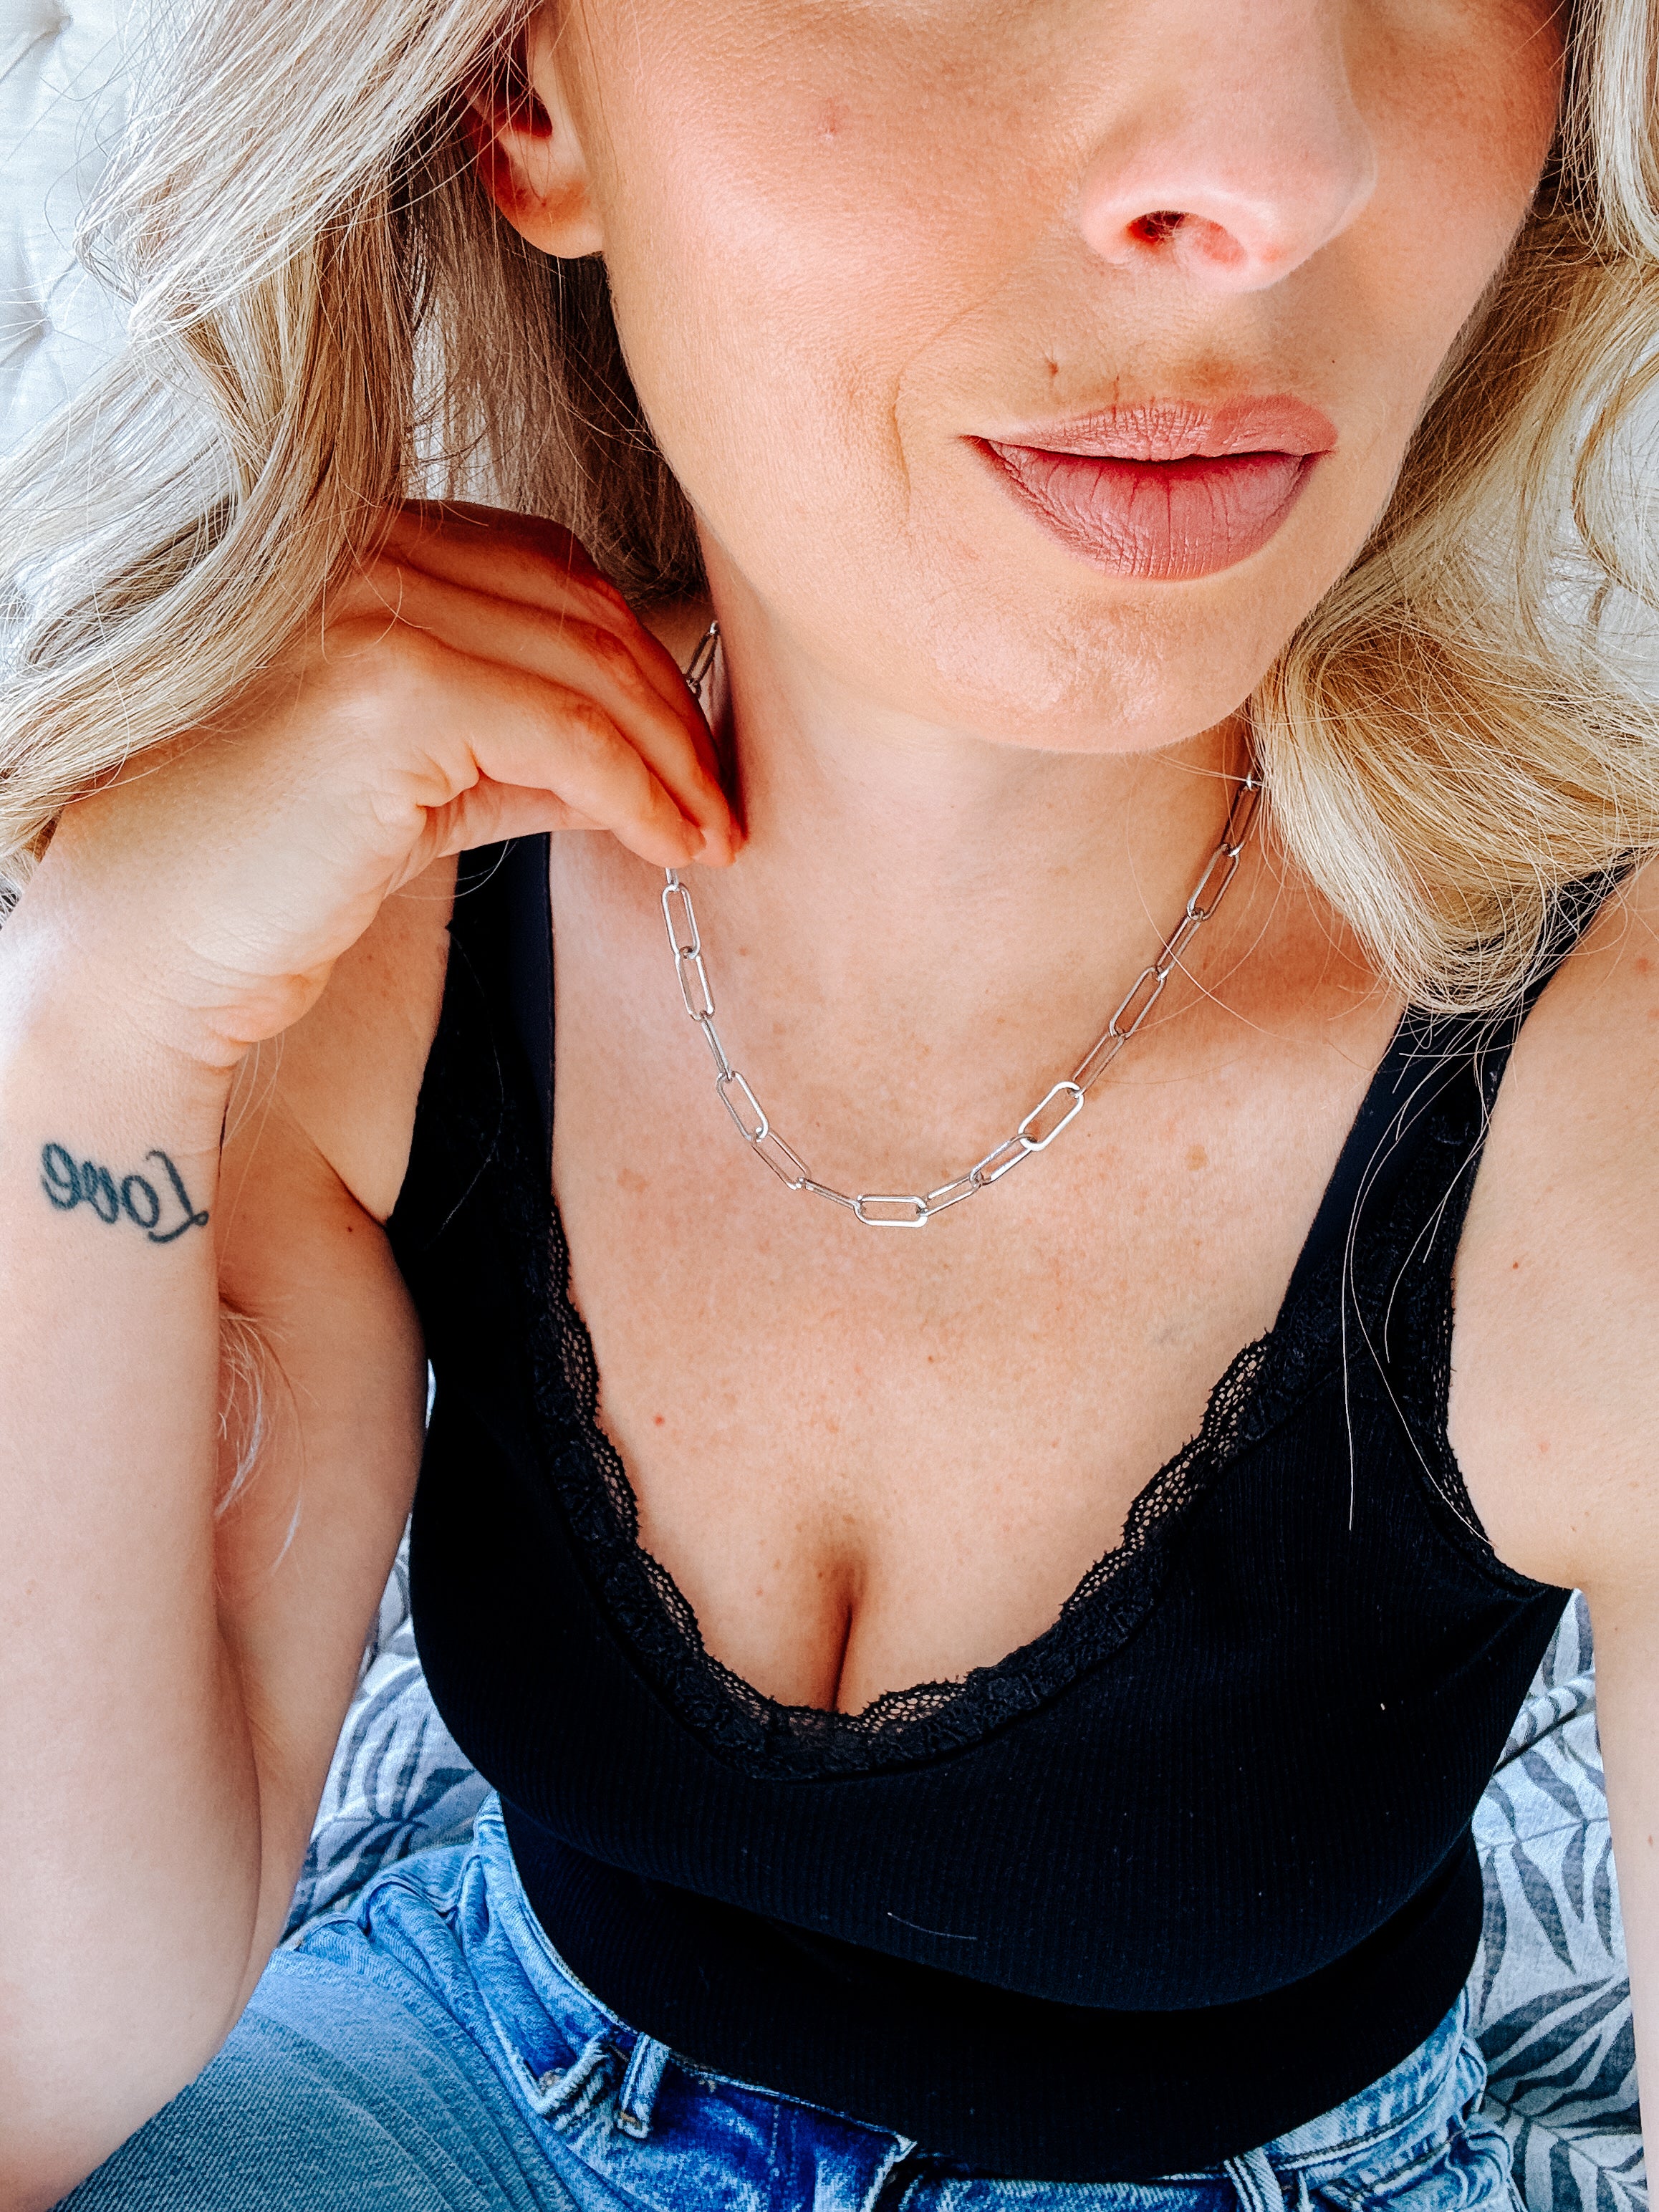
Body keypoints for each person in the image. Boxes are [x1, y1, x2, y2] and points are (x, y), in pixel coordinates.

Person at [3, 0, 1658, 2203]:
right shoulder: (370, 907)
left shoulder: (1595, 1108)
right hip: (469, 2067)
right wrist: (96, 1017)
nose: (1276, 177)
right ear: (526, 97)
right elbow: (42, 2057)